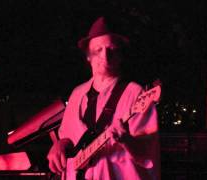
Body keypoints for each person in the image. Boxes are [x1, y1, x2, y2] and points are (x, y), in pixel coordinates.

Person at [47, 16, 160, 180]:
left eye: (111, 49)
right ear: (88, 56)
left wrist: (126, 140)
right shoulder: (77, 94)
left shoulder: (136, 93)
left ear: (120, 55)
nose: (105, 56)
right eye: (98, 50)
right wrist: (59, 145)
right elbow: (68, 139)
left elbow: (149, 154)